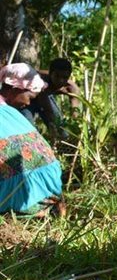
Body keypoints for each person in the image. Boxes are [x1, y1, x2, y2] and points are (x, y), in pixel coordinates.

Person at [0, 63, 64, 216]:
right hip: (48, 194)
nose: (28, 103)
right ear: (15, 89)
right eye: (29, 96)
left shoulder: (9, 113)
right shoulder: (12, 115)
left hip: (16, 194)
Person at [20, 57, 81, 142]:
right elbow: (47, 108)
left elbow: (75, 111)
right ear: (50, 73)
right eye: (57, 76)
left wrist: (75, 127)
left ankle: (65, 147)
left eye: (65, 77)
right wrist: (51, 123)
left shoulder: (71, 88)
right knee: (28, 128)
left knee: (62, 129)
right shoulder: (40, 79)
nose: (61, 80)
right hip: (28, 101)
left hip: (46, 97)